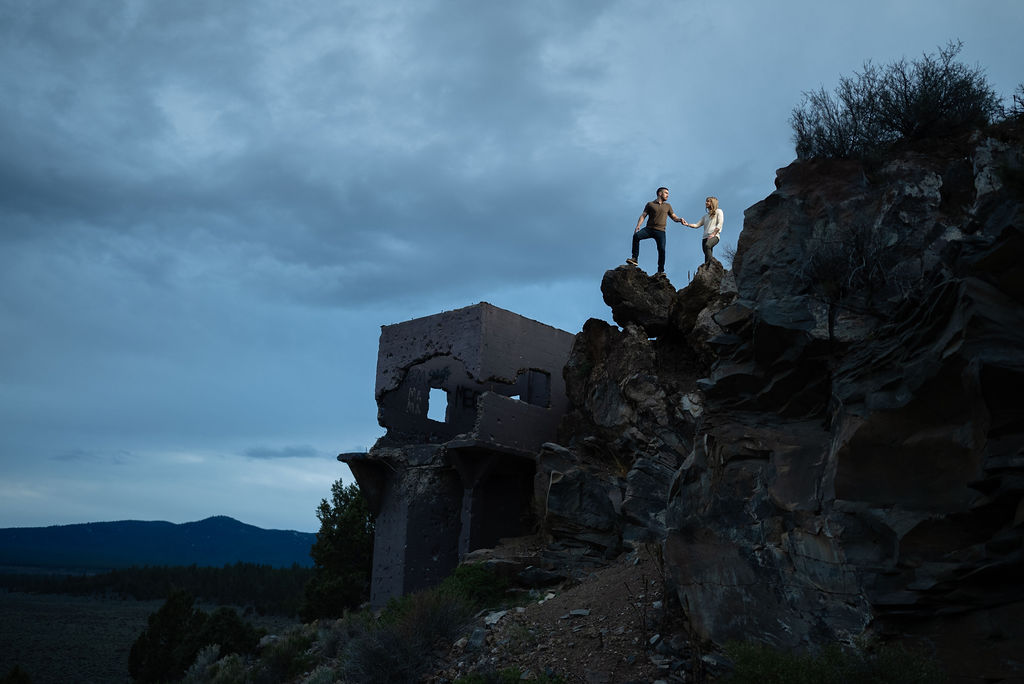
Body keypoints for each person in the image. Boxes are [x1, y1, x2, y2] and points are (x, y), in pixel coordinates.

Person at [626, 187, 684, 277]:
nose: (667, 195)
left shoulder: (667, 206)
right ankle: (634, 259)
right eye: (665, 193)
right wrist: (638, 225)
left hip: (660, 231)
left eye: (668, 193)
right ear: (660, 193)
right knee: (636, 236)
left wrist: (680, 220)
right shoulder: (650, 204)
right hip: (649, 229)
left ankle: (660, 271)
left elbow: (674, 217)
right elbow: (643, 215)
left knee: (662, 250)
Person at [682, 196, 724, 265]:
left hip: (714, 235)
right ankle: (708, 270)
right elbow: (696, 225)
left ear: (713, 202)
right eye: (706, 201)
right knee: (707, 254)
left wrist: (713, 234)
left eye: (708, 201)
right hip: (704, 238)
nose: (706, 202)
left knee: (708, 246)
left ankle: (709, 266)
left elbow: (720, 223)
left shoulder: (719, 211)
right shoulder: (705, 216)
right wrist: (687, 224)